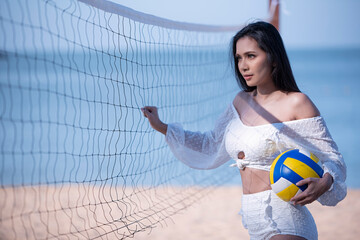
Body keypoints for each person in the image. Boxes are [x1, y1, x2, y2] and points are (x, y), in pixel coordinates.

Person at [141, 21, 346, 240]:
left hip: (286, 222)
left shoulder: (296, 103)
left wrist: (324, 183)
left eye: (251, 56)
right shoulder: (240, 101)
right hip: (253, 222)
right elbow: (210, 143)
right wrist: (162, 127)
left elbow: (333, 159)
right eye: (239, 58)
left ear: (274, 59)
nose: (243, 65)